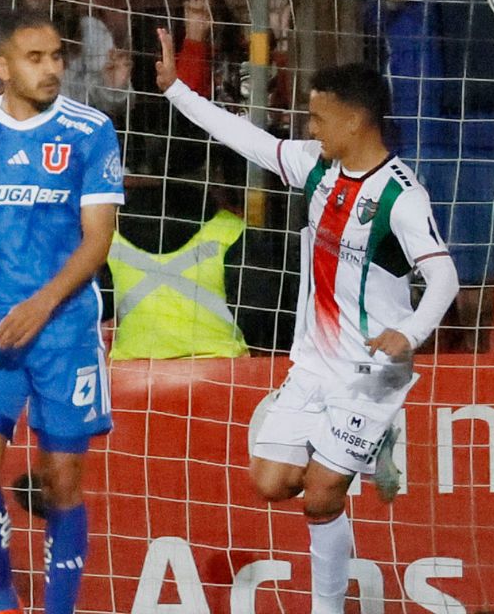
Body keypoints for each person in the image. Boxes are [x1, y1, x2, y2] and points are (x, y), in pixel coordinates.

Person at [154, 30, 459, 614]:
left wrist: (409, 334)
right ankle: (372, 450)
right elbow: (247, 138)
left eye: (319, 118)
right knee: (271, 484)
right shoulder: (315, 167)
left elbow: (445, 278)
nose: (310, 128)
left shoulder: (403, 197)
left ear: (355, 122)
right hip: (315, 361)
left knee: (319, 499)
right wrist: (177, 93)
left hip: (372, 370)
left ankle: (326, 608)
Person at [0, 8, 123, 614]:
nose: (51, 70)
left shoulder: (89, 130)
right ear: (1, 66)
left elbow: (98, 239)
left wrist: (42, 306)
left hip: (64, 330)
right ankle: (3, 598)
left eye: (55, 57)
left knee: (62, 483)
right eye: (35, 58)